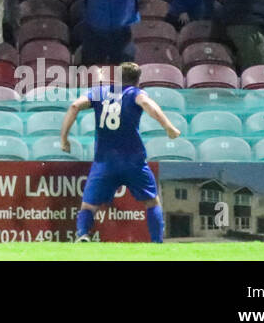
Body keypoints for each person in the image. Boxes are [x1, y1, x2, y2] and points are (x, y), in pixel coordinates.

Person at [59, 62, 181, 243]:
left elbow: (74, 106)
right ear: (138, 80)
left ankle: (83, 234)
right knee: (152, 202)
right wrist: (169, 127)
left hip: (105, 161)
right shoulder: (135, 93)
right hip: (134, 161)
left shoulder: (98, 92)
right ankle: (157, 243)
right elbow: (147, 103)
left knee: (89, 204)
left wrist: (64, 139)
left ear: (116, 78)